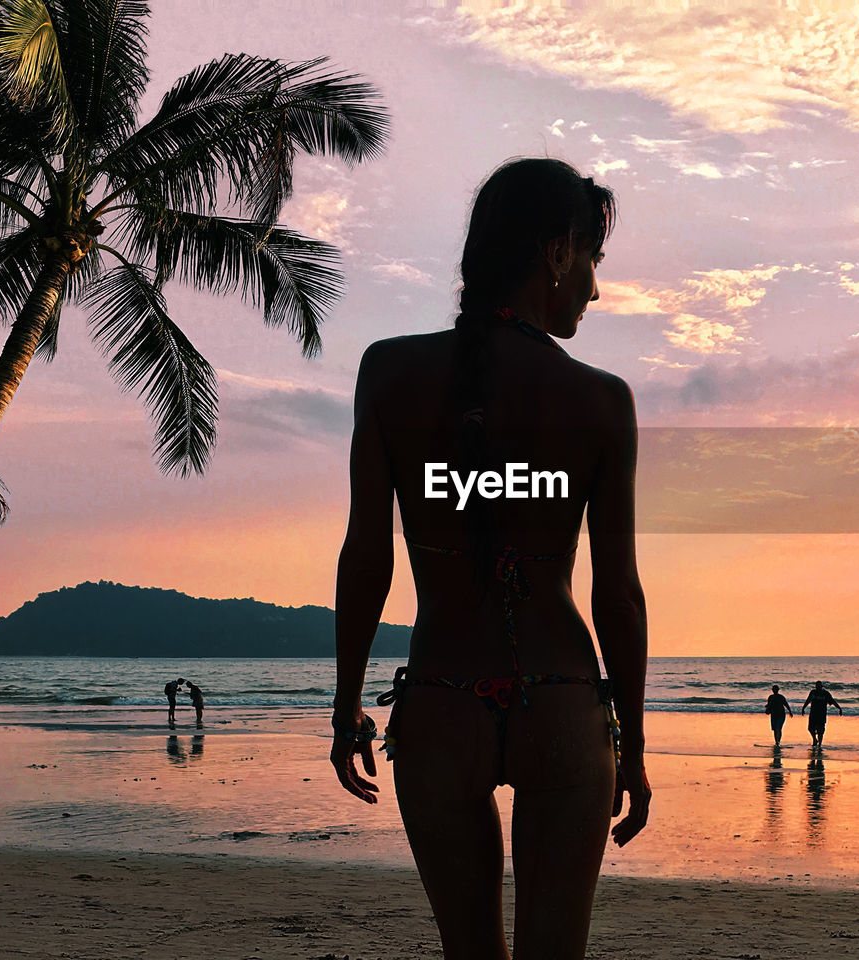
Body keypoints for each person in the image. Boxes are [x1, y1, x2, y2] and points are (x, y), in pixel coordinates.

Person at [331, 157, 650, 960]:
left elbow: (367, 554)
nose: (594, 289)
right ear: (555, 253)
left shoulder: (388, 371)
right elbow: (618, 593)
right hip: (564, 709)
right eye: (592, 262)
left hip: (441, 704)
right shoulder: (602, 402)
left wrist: (345, 704)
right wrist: (636, 747)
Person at [800, 680, 842, 750]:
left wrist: (839, 708)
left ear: (821, 687)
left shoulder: (826, 693)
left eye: (819, 686)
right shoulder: (813, 692)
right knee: (810, 728)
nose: (818, 688)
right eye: (817, 686)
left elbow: (832, 701)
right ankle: (814, 739)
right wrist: (803, 708)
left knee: (820, 730)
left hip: (822, 714)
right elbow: (808, 700)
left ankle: (819, 744)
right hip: (813, 713)